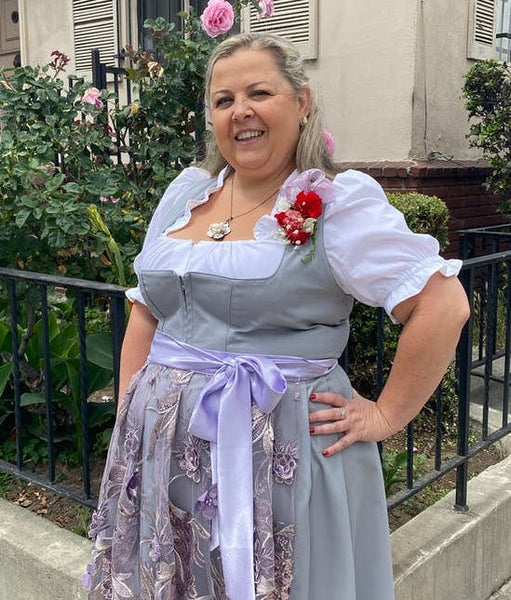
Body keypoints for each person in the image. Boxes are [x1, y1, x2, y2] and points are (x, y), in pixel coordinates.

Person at [83, 33, 470, 600]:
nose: (240, 111)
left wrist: (386, 415)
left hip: (276, 453)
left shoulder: (335, 206)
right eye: (223, 100)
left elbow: (443, 304)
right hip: (165, 451)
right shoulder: (188, 193)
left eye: (259, 91)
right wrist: (132, 422)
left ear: (302, 101)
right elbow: (145, 313)